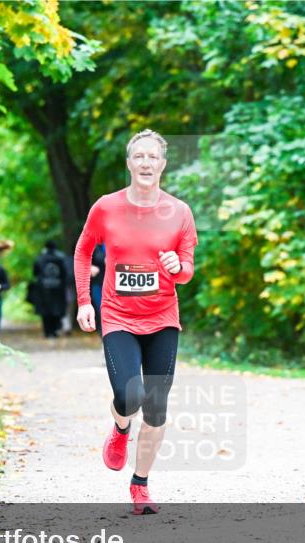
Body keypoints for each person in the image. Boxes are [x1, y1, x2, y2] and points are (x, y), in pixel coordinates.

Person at [73, 129, 198, 515]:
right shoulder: (106, 208)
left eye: (153, 157)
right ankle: (121, 427)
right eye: (139, 156)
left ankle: (140, 484)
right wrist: (84, 301)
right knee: (129, 396)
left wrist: (177, 267)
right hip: (117, 316)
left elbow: (187, 271)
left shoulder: (180, 212)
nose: (146, 163)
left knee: (156, 406)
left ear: (163, 164)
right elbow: (83, 251)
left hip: (162, 317)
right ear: (129, 163)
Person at [32, 240, 70, 339]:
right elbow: (65, 274)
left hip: (43, 290)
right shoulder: (61, 258)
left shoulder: (40, 258)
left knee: (45, 312)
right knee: (57, 310)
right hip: (58, 290)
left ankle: (47, 332)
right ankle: (55, 330)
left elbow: (35, 273)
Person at [90, 244, 106, 334]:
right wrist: (90, 267)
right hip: (98, 283)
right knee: (100, 307)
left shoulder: (115, 242)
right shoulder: (95, 246)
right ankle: (102, 331)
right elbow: (82, 260)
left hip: (113, 283)